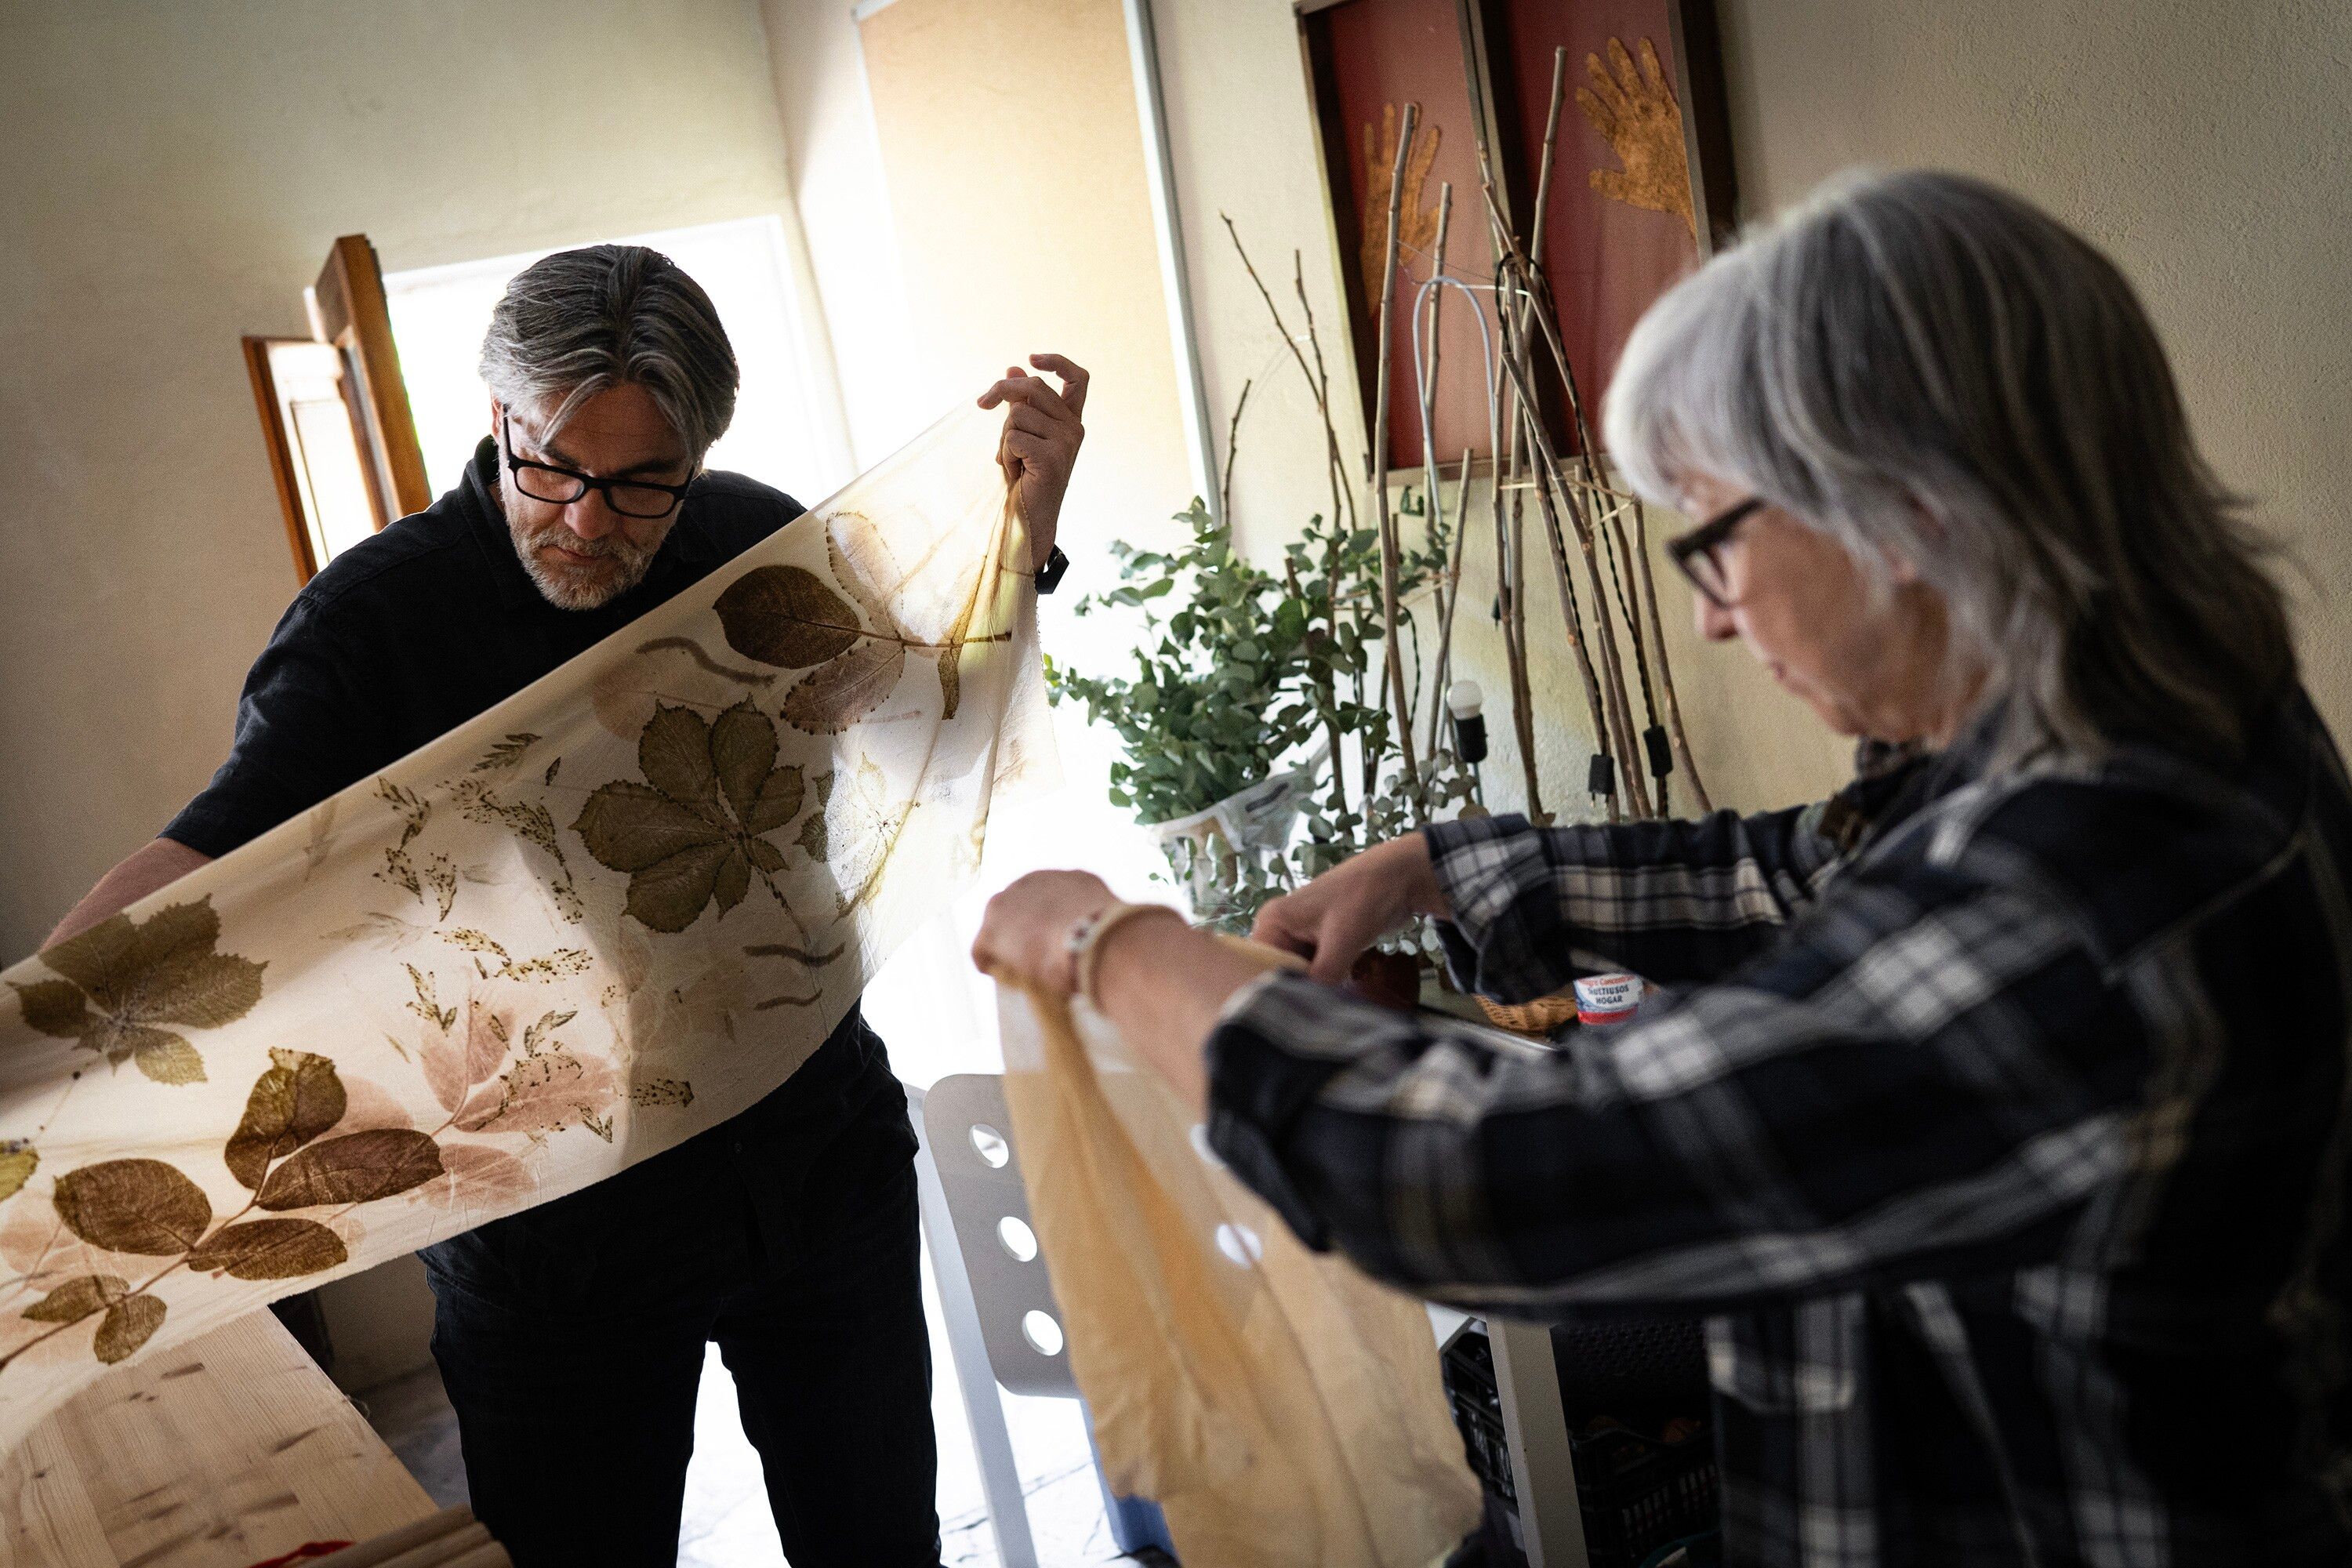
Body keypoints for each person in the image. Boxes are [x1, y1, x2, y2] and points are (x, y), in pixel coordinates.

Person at [972, 170, 2352, 1565]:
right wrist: (1435, 870)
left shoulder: (2082, 897)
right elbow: (1790, 873)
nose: (1706, 620)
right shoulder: (2151, 722)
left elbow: (1479, 1182)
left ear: (1909, 509)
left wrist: (1116, 946)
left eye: (1714, 540)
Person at [47, 245, 1088, 1567]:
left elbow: (924, 705)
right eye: (552, 466)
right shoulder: (381, 623)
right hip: (551, 1244)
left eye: (642, 481)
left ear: (699, 457)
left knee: (881, 1545)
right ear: (498, 420)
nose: (588, 519)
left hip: (815, 1172)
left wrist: (1026, 532)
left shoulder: (754, 547)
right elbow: (209, 860)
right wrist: (42, 1017)